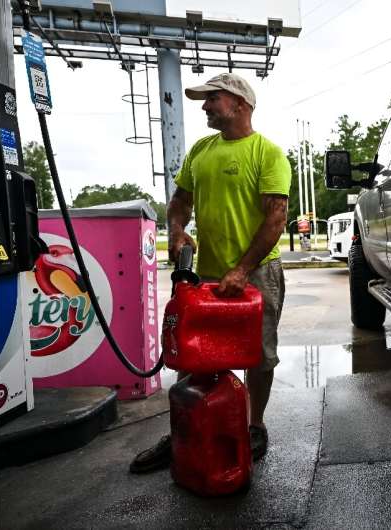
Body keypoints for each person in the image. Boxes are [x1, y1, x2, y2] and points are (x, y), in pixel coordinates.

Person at [130, 72, 291, 473]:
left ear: (239, 104)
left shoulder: (267, 153)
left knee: (259, 356)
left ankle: (255, 427)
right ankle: (186, 429)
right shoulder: (201, 149)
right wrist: (178, 229)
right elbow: (179, 202)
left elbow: (276, 217)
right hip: (204, 278)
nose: (204, 106)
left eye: (212, 99)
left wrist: (243, 268)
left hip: (256, 276)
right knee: (194, 356)